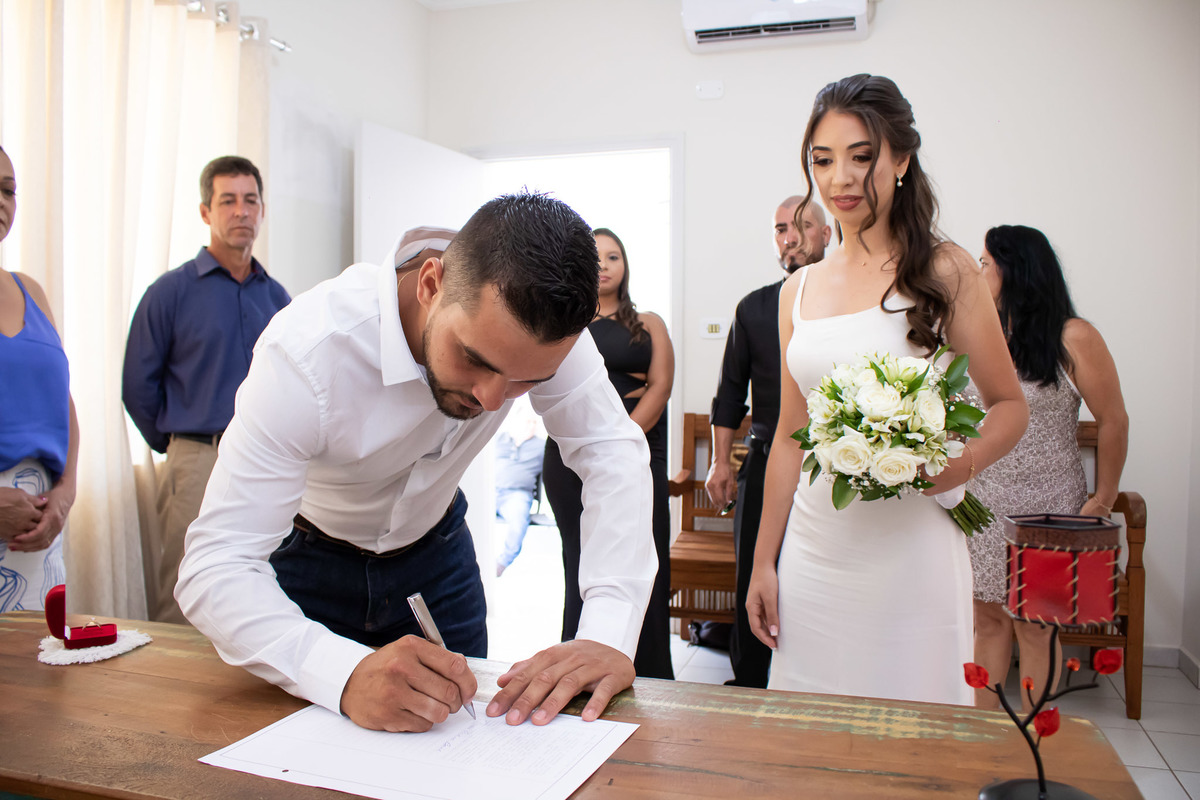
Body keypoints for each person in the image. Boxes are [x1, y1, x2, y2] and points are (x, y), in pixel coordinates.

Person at [175, 195, 657, 734]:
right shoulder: (307, 353)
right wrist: (341, 673)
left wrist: (606, 633)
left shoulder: (548, 336)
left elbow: (612, 453)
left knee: (461, 748)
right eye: (475, 359)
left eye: (526, 381)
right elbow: (216, 565)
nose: (492, 400)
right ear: (431, 284)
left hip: (439, 560)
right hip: (305, 569)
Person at [746, 74, 1028, 705]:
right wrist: (765, 561)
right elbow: (790, 437)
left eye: (861, 156)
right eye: (823, 160)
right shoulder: (798, 291)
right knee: (812, 729)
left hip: (912, 550)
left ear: (900, 160)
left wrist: (961, 461)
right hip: (816, 550)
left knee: (914, 727)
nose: (840, 178)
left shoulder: (947, 269)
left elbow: (1010, 406)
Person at [123, 155, 290, 623]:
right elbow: (137, 386)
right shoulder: (170, 292)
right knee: (183, 587)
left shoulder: (277, 297)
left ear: (262, 210)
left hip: (265, 464)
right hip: (196, 459)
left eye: (250, 200)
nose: (241, 211)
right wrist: (181, 446)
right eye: (228, 200)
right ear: (205, 212)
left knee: (263, 586)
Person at [968, 225, 1128, 711]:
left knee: (1036, 628)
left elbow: (1114, 420)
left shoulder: (1074, 337)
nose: (977, 271)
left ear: (1014, 269)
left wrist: (1103, 499)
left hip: (1049, 507)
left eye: (985, 263)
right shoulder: (979, 335)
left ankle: (1037, 741)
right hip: (981, 507)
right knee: (987, 622)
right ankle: (983, 739)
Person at [705, 195, 831, 688]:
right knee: (754, 574)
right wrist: (721, 463)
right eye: (781, 229)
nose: (790, 237)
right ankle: (751, 683)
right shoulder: (754, 308)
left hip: (834, 464)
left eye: (802, 226)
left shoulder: (849, 308)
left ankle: (814, 682)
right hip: (764, 461)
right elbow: (730, 394)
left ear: (826, 234)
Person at [542, 228, 675, 680]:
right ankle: (577, 662)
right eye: (595, 257)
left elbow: (660, 386)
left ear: (626, 265)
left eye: (613, 256)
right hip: (567, 456)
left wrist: (619, 443)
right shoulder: (565, 323)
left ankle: (651, 670)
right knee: (580, 558)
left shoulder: (650, 323)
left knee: (644, 555)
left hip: (641, 449)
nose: (603, 265)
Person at [0, 145, 79, 611]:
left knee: (38, 655)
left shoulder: (29, 289)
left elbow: (63, 401)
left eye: (8, 190)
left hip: (39, 534)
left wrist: (66, 493)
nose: (1, 200)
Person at [494, 397, 545, 577]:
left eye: (534, 422)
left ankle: (501, 563)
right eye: (527, 421)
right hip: (491, 492)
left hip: (516, 495)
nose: (531, 425)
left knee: (518, 521)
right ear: (517, 420)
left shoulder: (541, 446)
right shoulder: (498, 439)